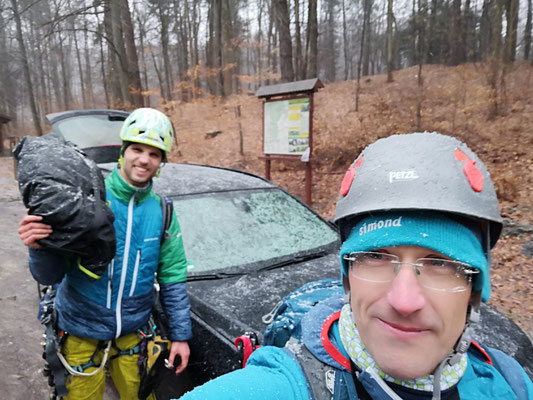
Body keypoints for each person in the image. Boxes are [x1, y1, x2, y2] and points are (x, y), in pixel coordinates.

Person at [178, 132, 532, 400]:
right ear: (347, 279)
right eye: (376, 257)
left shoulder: (511, 382)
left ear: (475, 290)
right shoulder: (284, 385)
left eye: (440, 263)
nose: (404, 301)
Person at [18, 108, 192, 399]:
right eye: (137, 149)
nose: (144, 159)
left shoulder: (163, 211)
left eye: (155, 153)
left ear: (161, 162)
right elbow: (47, 275)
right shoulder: (88, 197)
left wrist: (180, 335)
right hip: (80, 331)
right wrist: (38, 248)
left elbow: (173, 276)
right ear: (123, 152)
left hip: (134, 336)